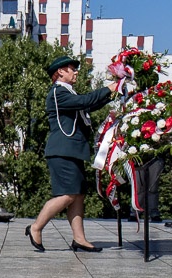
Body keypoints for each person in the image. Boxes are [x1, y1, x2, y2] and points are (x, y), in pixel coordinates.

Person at [26, 56, 116, 253]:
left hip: (72, 151)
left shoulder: (67, 93)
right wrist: (109, 88)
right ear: (60, 72)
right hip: (62, 151)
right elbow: (85, 101)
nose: (76, 72)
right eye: (72, 69)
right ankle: (36, 227)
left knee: (78, 195)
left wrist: (113, 94)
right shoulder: (58, 93)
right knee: (68, 195)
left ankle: (79, 239)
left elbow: (88, 105)